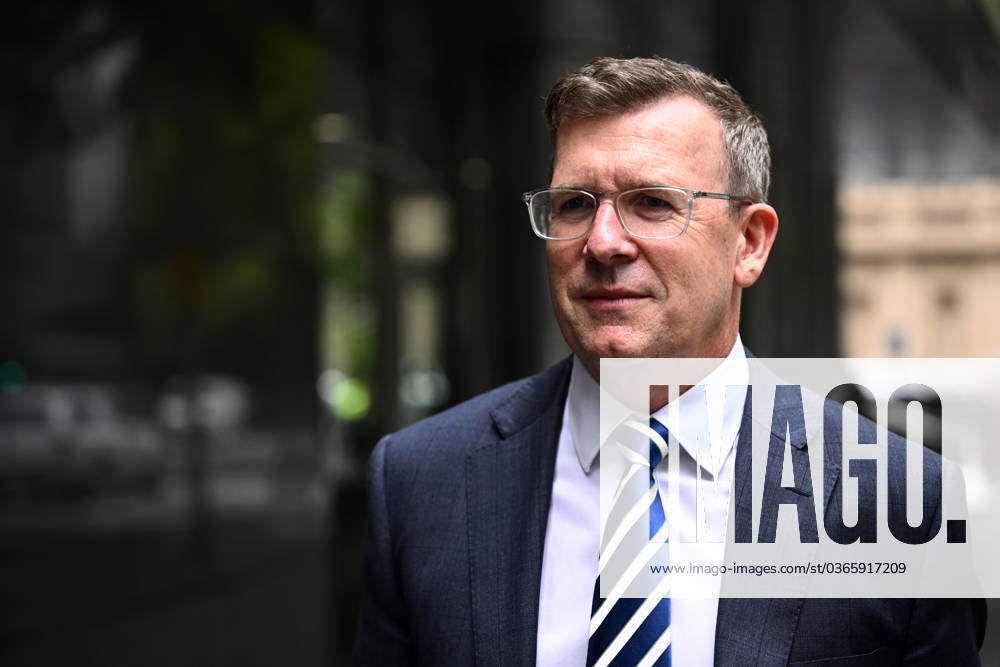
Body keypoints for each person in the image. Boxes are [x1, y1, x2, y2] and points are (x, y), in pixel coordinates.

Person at [353, 56, 986, 666]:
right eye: (574, 204)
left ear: (750, 243)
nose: (602, 242)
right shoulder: (420, 482)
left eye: (653, 202)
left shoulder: (898, 498)